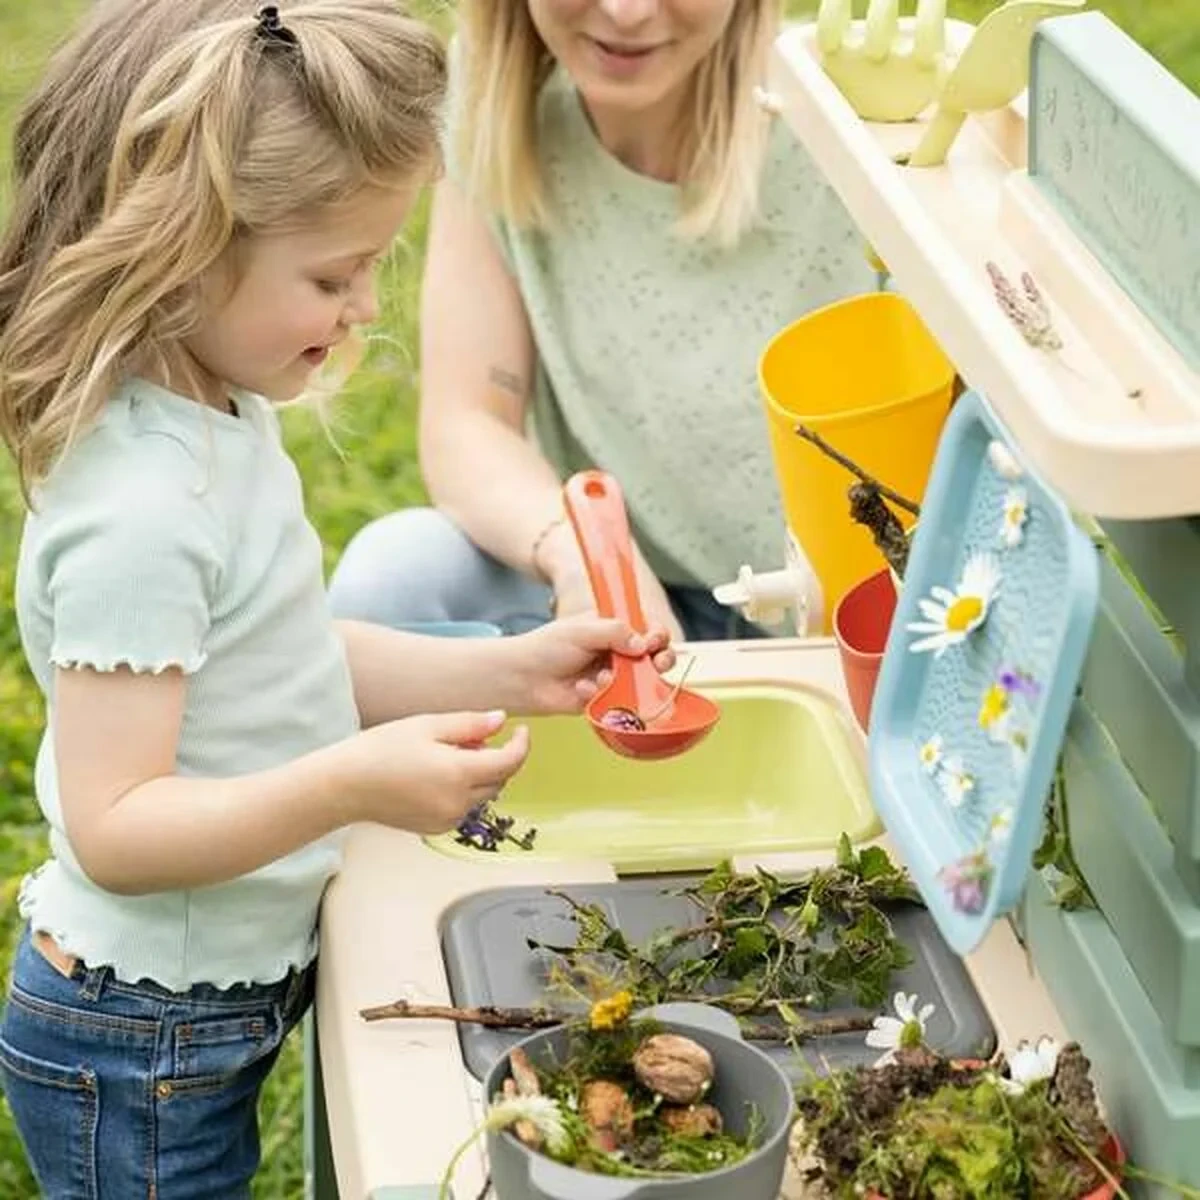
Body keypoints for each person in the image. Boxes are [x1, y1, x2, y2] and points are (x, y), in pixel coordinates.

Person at [0, 3, 671, 1195]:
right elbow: (117, 830)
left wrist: (511, 669)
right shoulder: (142, 515)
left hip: (200, 1006)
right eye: (334, 274)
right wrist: (355, 781)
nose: (365, 307)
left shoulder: (213, 404)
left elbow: (280, 657)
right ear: (186, 248)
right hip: (140, 1034)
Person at [327, 0, 877, 643]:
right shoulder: (495, 103)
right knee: (392, 578)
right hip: (631, 589)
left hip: (846, 615)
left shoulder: (845, 116)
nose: (626, 12)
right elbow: (467, 422)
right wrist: (590, 559)